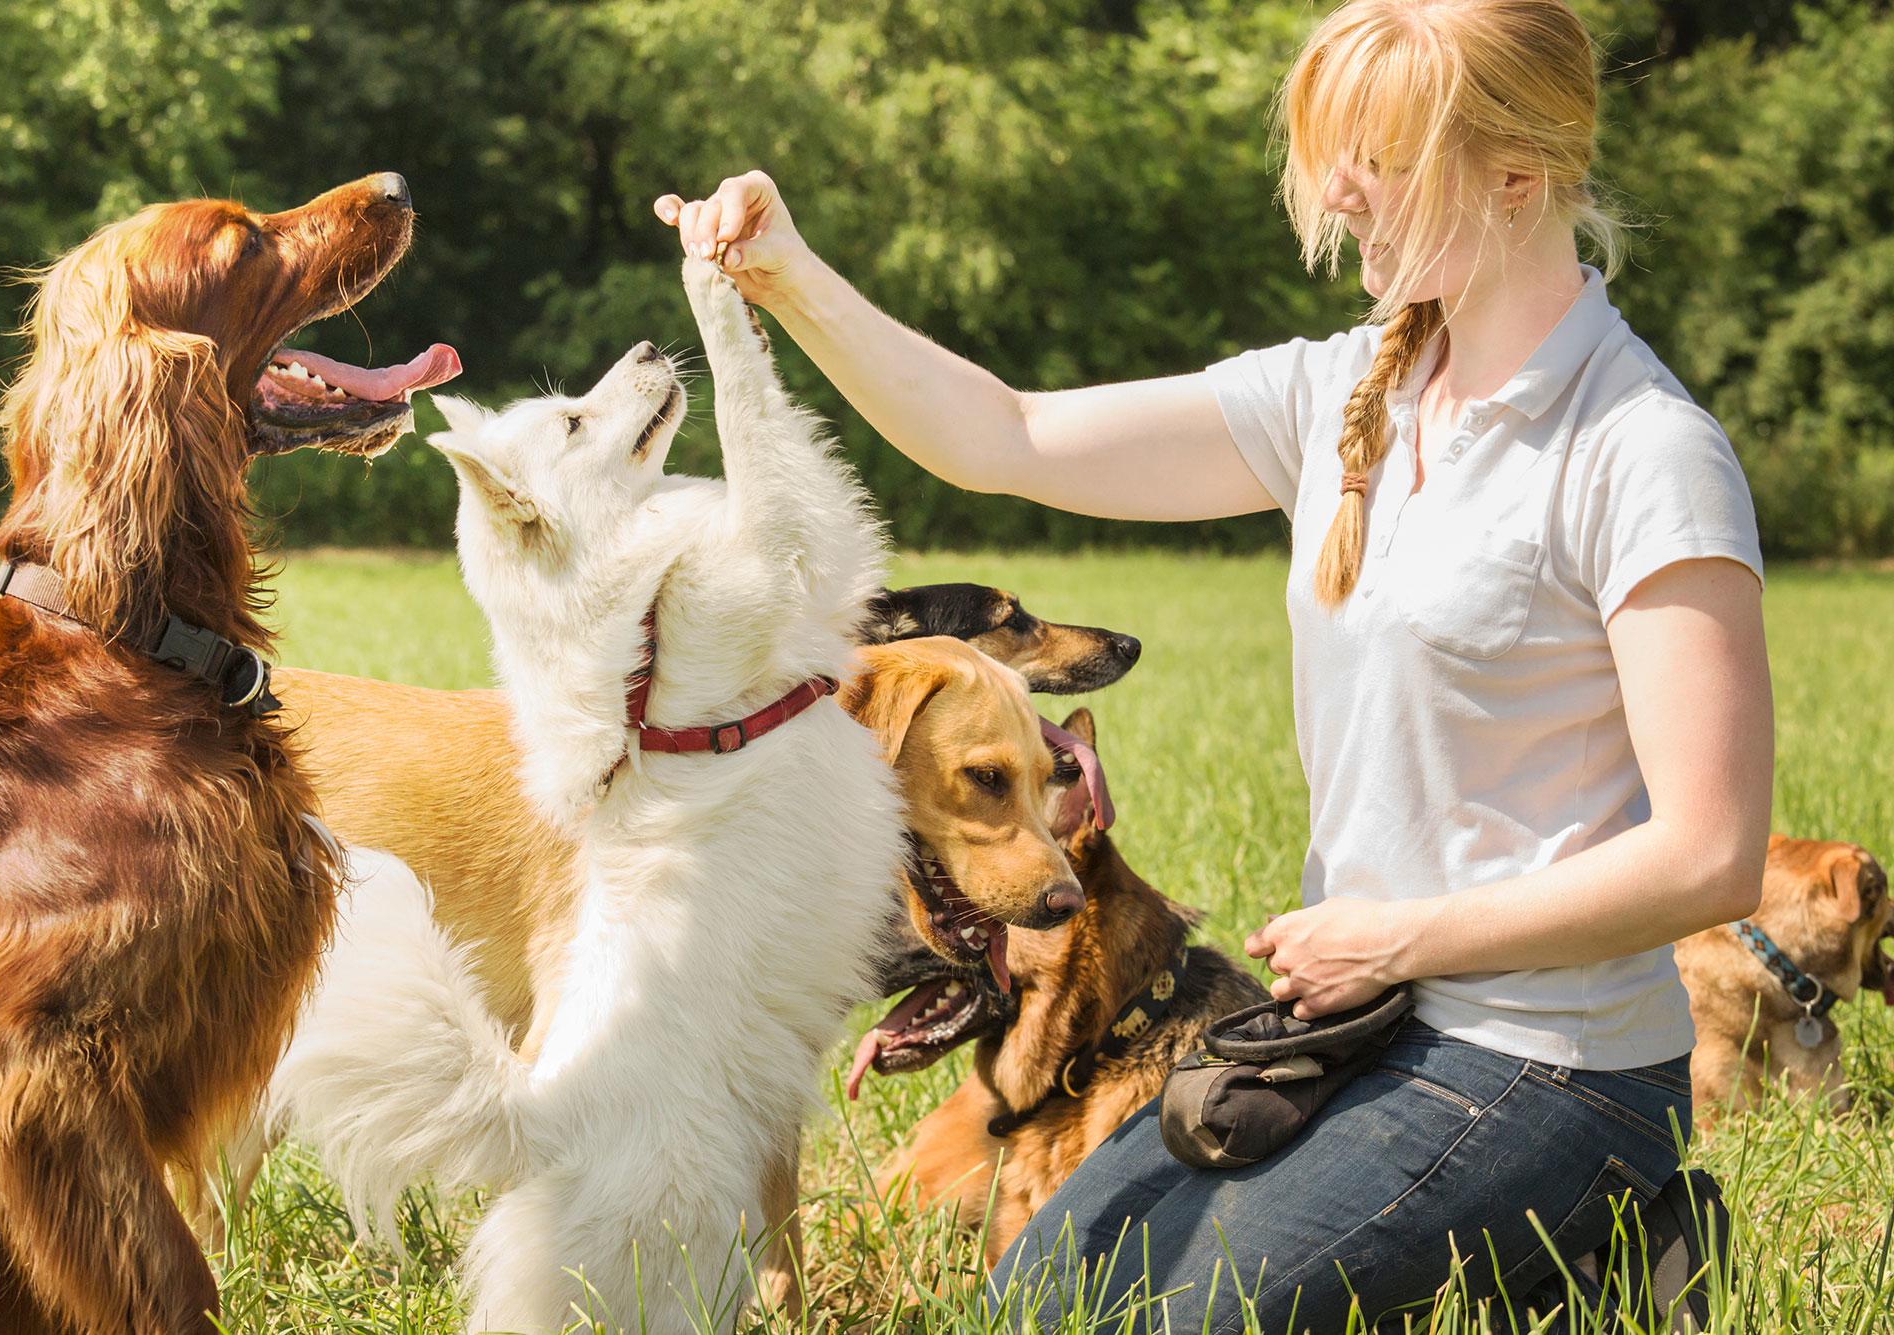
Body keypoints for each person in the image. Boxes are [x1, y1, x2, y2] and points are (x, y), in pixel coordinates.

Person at [656, 0, 1771, 1327]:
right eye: (1331, 153)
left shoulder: (1642, 451)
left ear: (1517, 181)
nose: (1339, 194)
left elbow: (1710, 855)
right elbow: (1007, 435)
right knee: (1035, 1303)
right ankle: (1570, 1271)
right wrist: (790, 273)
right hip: (1361, 1028)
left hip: (1548, 1064)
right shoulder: (1345, 396)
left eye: (1378, 157)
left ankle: (1602, 1218)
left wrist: (1406, 936)